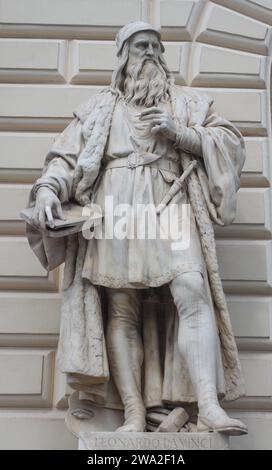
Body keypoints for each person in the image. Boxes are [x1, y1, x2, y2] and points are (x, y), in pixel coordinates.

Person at [26, 21, 248, 435]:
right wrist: (46, 191)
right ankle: (131, 413)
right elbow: (64, 158)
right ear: (123, 56)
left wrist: (180, 133)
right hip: (115, 211)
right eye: (139, 46)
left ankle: (207, 404)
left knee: (192, 289)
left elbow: (231, 144)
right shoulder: (99, 108)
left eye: (154, 46)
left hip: (171, 205)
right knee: (122, 308)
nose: (148, 53)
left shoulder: (186, 102)